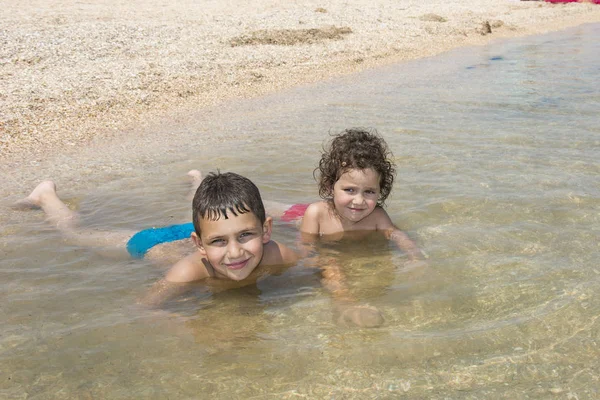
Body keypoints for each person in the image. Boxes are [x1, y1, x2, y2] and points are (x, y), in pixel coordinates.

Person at [13, 171, 384, 327]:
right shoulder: (187, 272)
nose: (236, 253)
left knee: (203, 212)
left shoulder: (274, 254)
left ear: (266, 230)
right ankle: (45, 195)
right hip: (153, 243)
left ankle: (197, 181)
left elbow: (322, 267)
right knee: (76, 236)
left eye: (246, 237)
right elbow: (143, 308)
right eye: (221, 244)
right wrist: (190, 328)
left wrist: (346, 302)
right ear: (200, 245)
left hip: (206, 224)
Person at [299, 128, 426, 263]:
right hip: (299, 215)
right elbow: (307, 249)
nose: (359, 201)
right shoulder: (317, 214)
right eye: (349, 190)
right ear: (330, 186)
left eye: (369, 192)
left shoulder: (377, 216)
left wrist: (415, 257)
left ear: (379, 191)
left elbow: (398, 236)